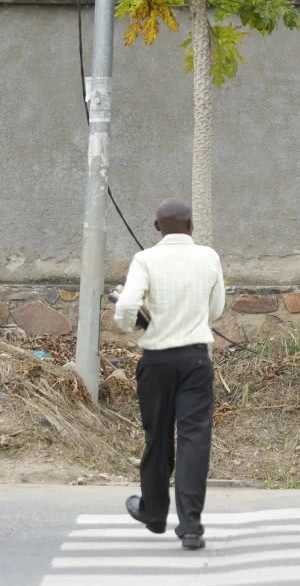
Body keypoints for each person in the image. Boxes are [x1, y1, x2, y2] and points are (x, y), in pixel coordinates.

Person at [113, 198, 225, 550]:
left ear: (156, 226)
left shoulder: (145, 259)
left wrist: (129, 325)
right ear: (192, 225)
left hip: (157, 361)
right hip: (195, 360)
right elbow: (217, 309)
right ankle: (191, 526)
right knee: (194, 439)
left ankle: (154, 513)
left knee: (157, 436)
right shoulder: (209, 257)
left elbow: (128, 304)